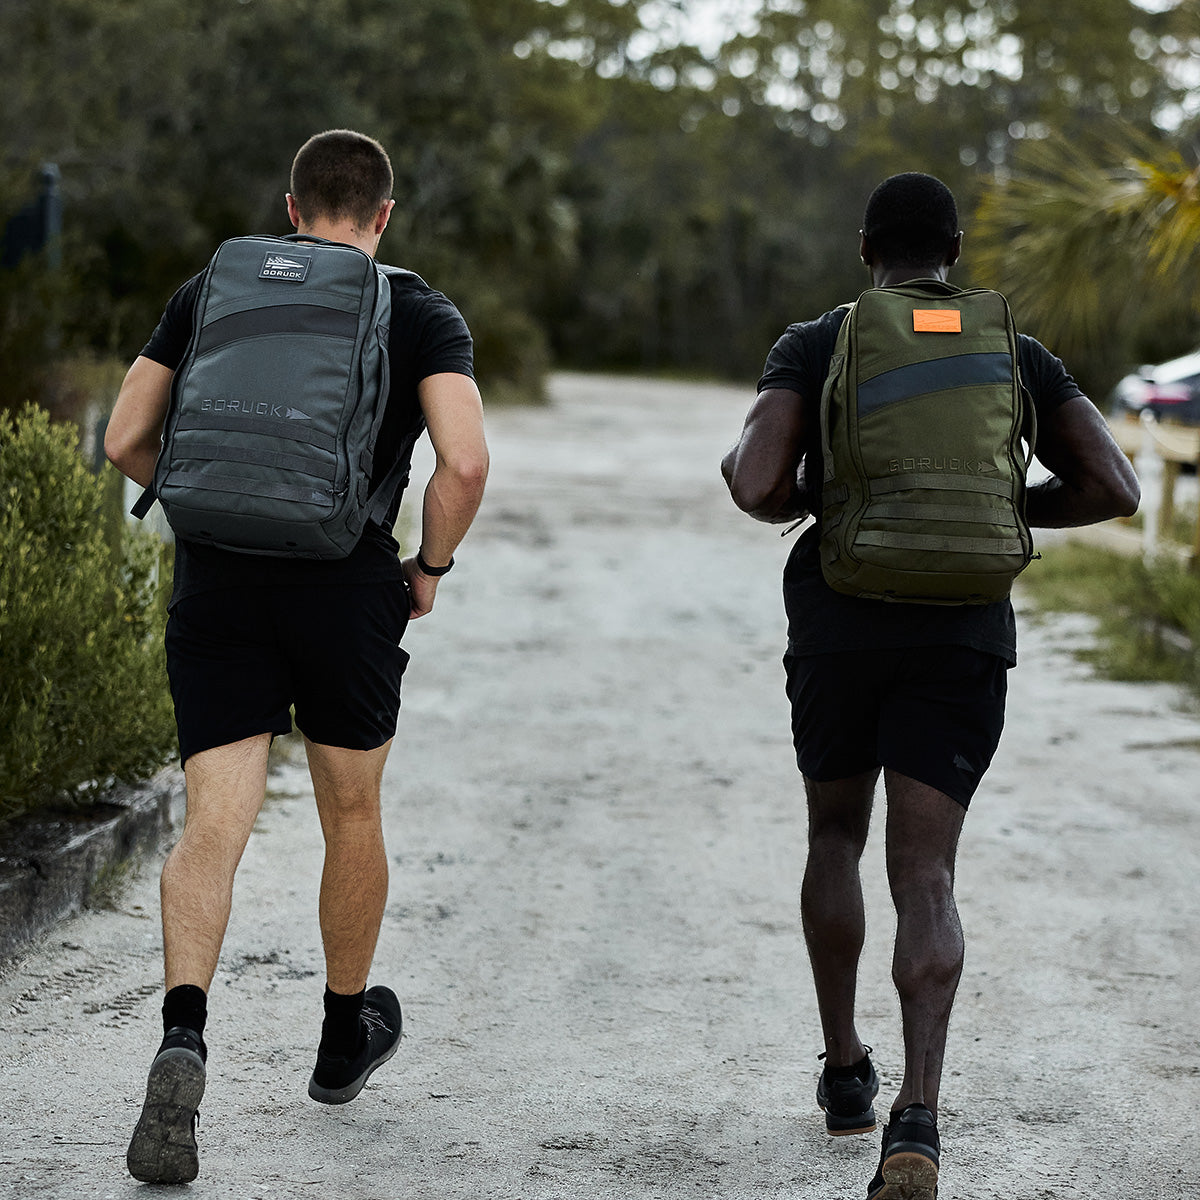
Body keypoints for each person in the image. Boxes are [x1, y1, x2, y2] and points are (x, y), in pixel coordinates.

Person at [721, 172, 1139, 1200]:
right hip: (962, 633)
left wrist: (814, 485)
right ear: (952, 249)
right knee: (928, 874)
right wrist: (1006, 508)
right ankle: (917, 1122)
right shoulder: (1012, 350)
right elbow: (1115, 487)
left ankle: (844, 1073)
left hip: (840, 623)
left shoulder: (817, 341)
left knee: (835, 839)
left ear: (867, 250)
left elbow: (761, 483)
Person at [105, 129, 489, 1185]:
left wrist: (200, 514)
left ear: (290, 208)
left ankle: (183, 1037)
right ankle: (337, 1038)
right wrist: (428, 569)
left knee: (213, 823)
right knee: (350, 812)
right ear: (383, 216)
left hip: (218, 579)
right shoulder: (416, 309)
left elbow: (125, 437)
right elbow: (464, 463)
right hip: (346, 585)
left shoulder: (214, 289)